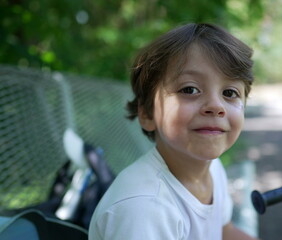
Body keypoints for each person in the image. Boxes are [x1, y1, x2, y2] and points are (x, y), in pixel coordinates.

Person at [89, 23, 258, 240]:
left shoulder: (212, 168)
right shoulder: (143, 209)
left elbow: (225, 233)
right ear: (147, 114)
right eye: (190, 89)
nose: (216, 106)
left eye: (230, 92)